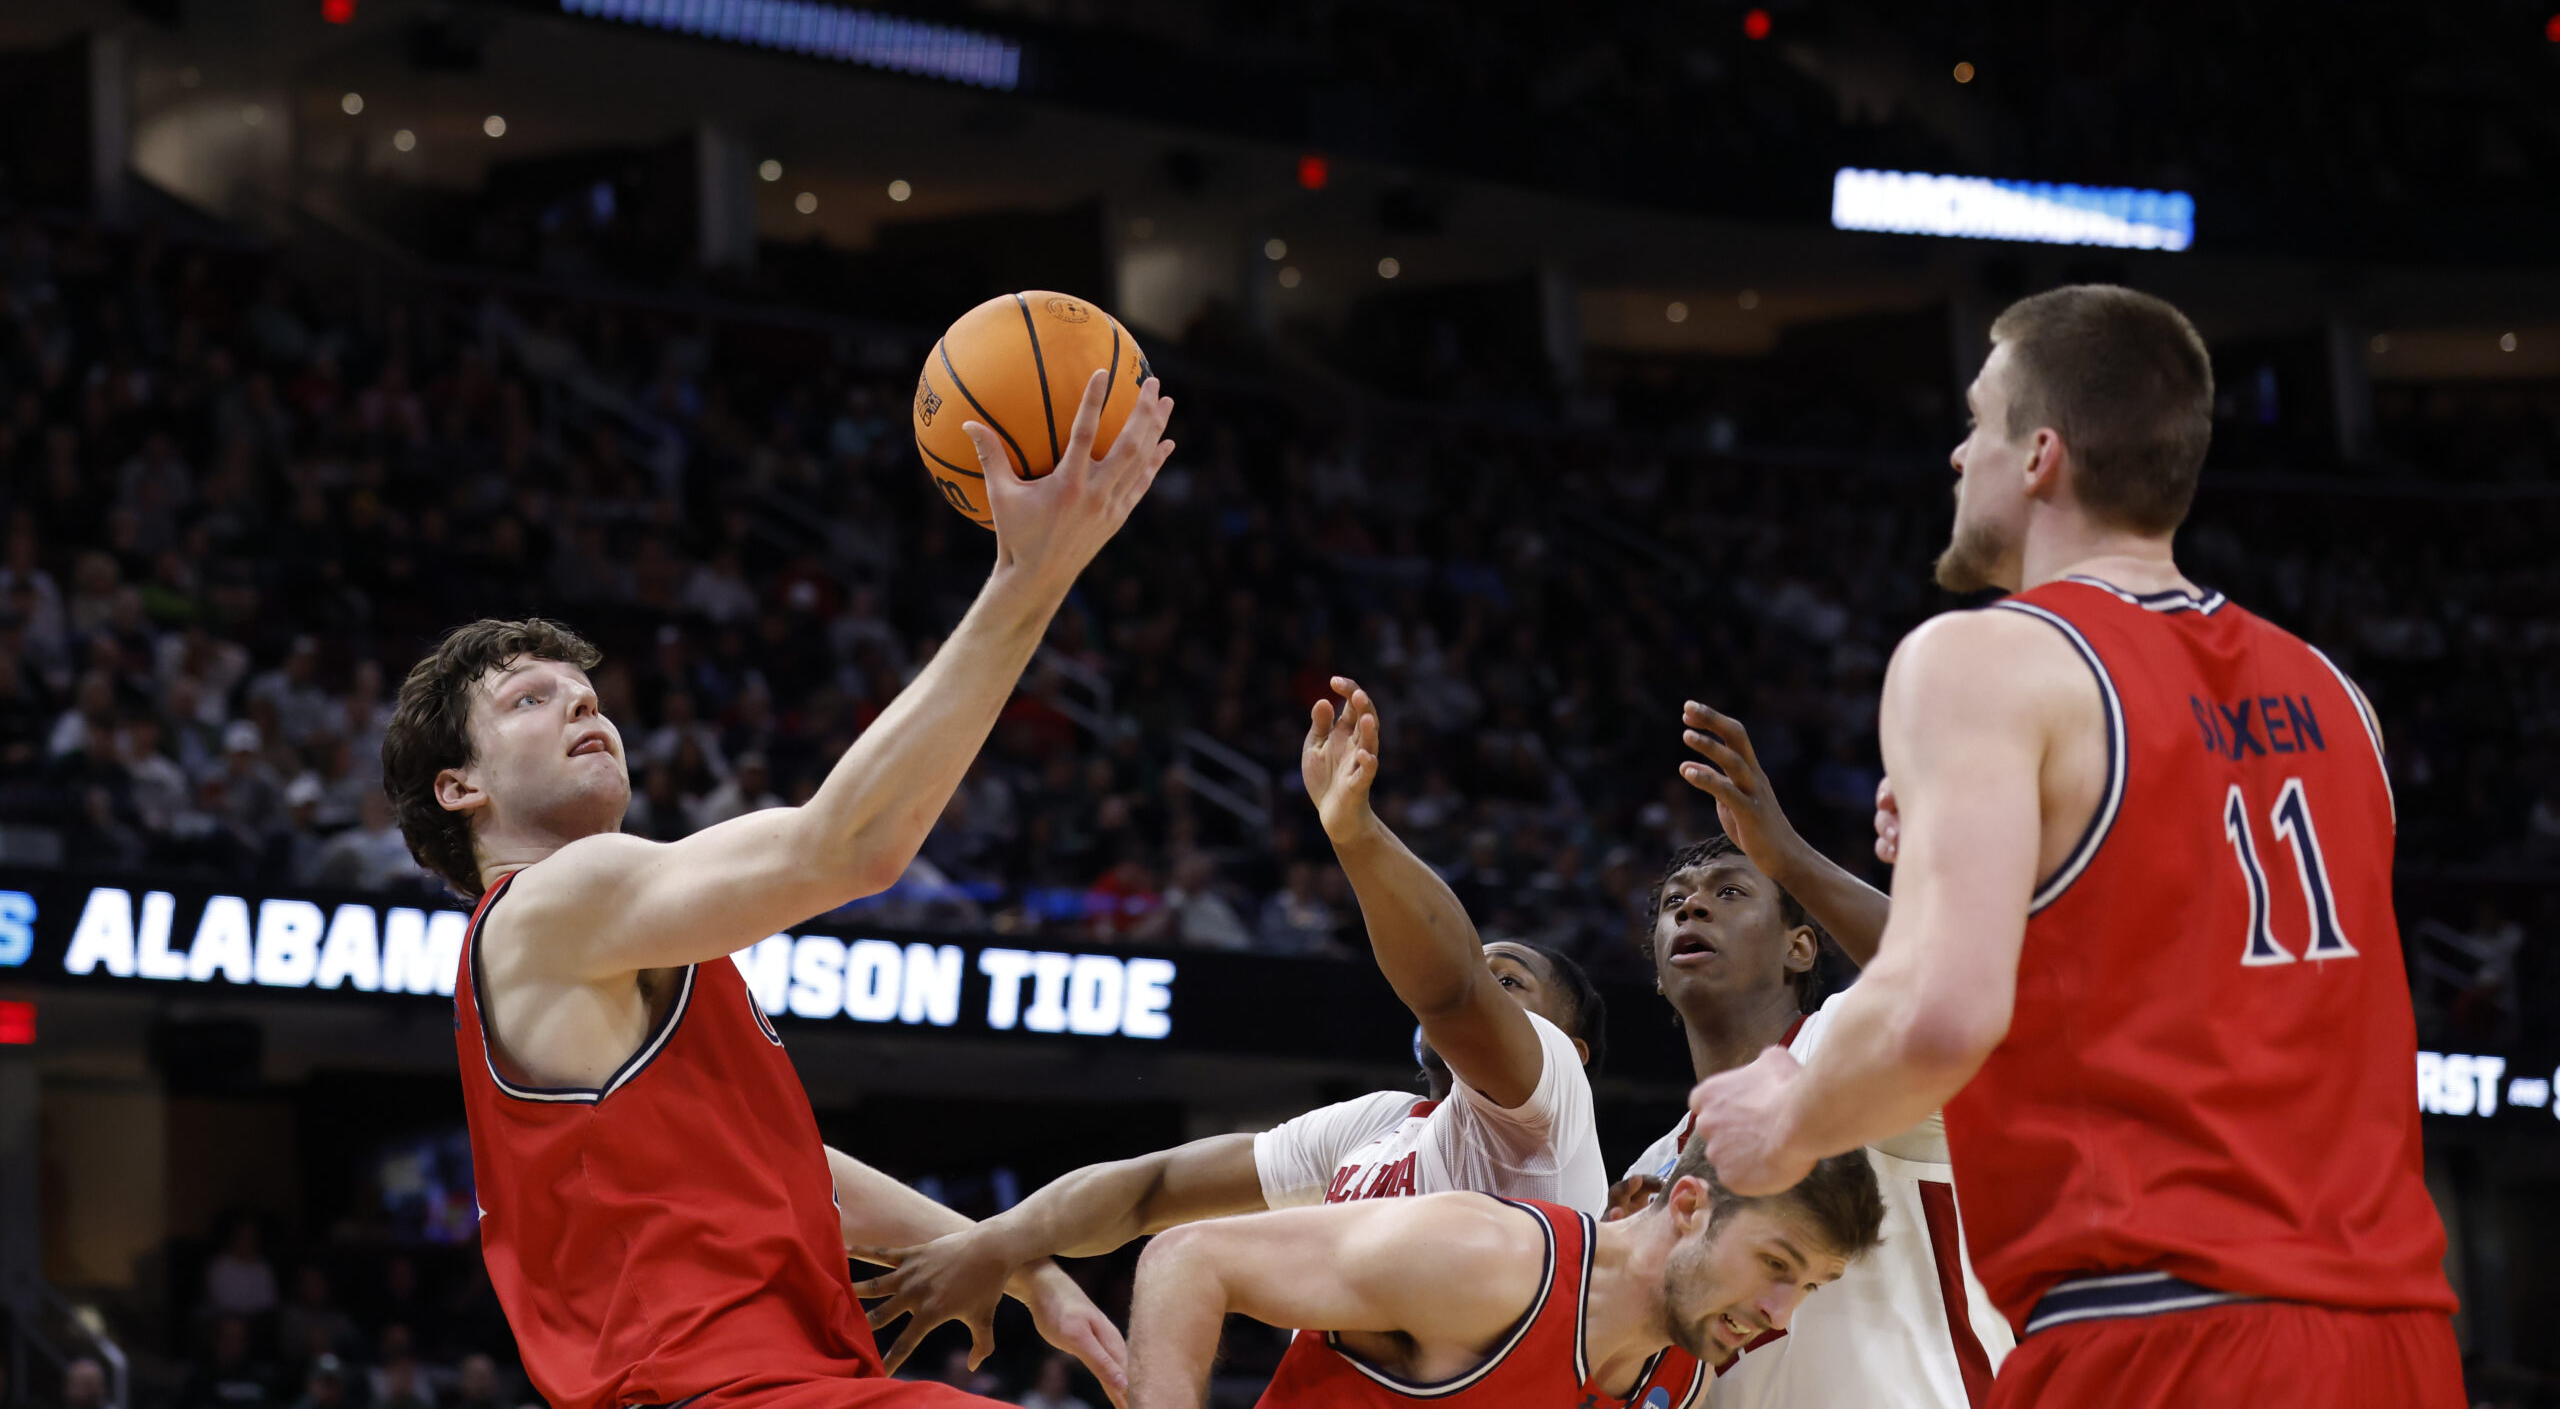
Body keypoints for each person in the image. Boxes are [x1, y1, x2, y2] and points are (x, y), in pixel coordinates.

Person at [1686, 285, 2462, 1407]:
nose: (1957, 457)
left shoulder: (1982, 659)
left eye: (1975, 424)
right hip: (2394, 1336)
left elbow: (1940, 1015)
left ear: (2040, 454)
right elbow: (2204, 961)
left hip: (2155, 1324)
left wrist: (1784, 1121)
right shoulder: (2340, 697)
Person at [380, 370, 1173, 1409]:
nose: (584, 709)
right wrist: (1031, 575)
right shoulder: (550, 901)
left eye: (589, 695)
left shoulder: (623, 945)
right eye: (533, 700)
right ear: (461, 786)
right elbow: (846, 847)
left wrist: (1018, 1261)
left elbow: (793, 1164)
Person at [858, 678, 1610, 1376]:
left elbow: (1448, 989)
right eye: (1481, 968)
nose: (1483, 983)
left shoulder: (1548, 1108)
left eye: (1509, 980)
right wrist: (995, 1244)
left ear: (1570, 1051)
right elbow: (1147, 1190)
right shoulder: (1380, 1125)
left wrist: (1357, 836)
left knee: (1194, 1261)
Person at [1607, 708, 2012, 1406]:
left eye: (1729, 892)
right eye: (1675, 903)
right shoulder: (1653, 1169)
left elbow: (1953, 983)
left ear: (1800, 947)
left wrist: (1786, 856)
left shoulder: (1843, 1046)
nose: (1691, 910)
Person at [1124, 1133, 1884, 1409]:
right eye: (1776, 1265)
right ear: (1687, 1206)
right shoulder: (1492, 1261)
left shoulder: (1683, 1378)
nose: (1781, 1314)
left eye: (1811, 1286)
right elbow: (1189, 1258)